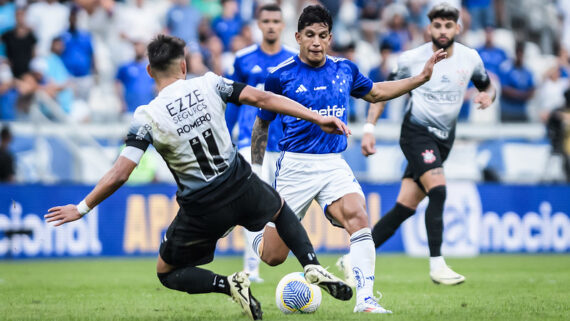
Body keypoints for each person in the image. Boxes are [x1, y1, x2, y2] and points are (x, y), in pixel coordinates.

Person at [44, 34, 352, 320]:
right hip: (240, 183)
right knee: (280, 209)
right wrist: (316, 116)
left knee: (167, 272)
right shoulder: (210, 83)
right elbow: (264, 99)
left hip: (202, 206)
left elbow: (120, 173)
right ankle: (310, 263)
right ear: (183, 64)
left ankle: (228, 284)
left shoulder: (147, 116)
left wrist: (81, 207)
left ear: (150, 72)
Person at [250, 5, 446, 314]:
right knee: (272, 256)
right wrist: (256, 168)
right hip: (295, 167)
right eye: (310, 35)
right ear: (298, 37)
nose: (316, 42)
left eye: (323, 36)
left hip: (333, 163)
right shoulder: (280, 77)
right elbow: (262, 123)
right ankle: (255, 236)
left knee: (358, 214)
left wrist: (420, 77)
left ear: (330, 38)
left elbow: (377, 93)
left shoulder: (346, 69)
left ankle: (366, 300)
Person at [344, 2, 495, 286]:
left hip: (443, 142)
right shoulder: (411, 59)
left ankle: (353, 260)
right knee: (438, 191)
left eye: (448, 25)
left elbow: (487, 86)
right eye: (437, 25)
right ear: (429, 28)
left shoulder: (470, 58)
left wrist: (489, 97)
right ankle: (437, 265)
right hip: (416, 134)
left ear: (458, 28)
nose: (442, 30)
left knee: (405, 207)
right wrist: (368, 129)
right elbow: (380, 94)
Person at [224, 3, 296, 283]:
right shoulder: (243, 59)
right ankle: (251, 267)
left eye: (275, 21)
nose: (270, 25)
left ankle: (276, 256)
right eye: (265, 20)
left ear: (282, 25)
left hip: (284, 144)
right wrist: (224, 135)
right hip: (249, 141)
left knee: (281, 205)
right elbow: (232, 101)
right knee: (254, 203)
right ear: (258, 23)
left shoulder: (292, 59)